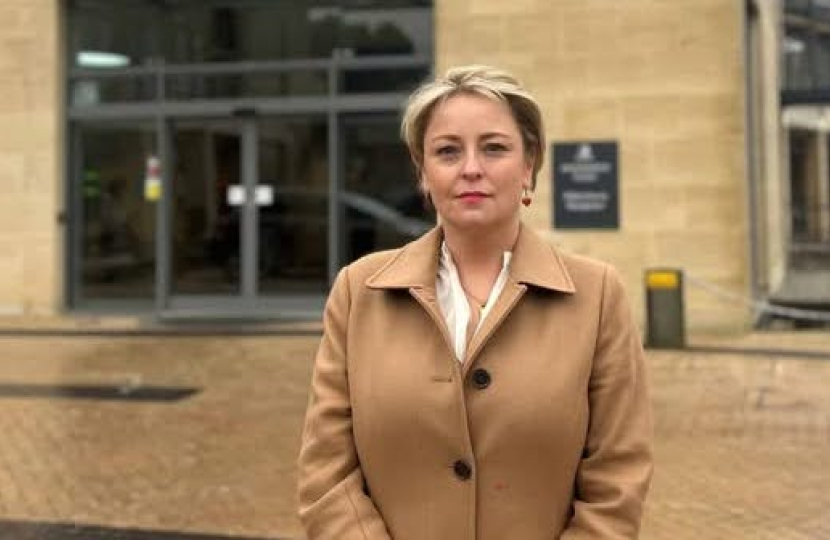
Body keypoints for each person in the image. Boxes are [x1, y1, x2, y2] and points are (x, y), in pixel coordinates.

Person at [296, 65, 653, 539]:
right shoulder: (358, 292)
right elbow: (326, 475)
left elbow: (616, 481)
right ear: (422, 171)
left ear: (528, 165)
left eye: (494, 148)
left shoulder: (598, 297)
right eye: (447, 151)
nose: (471, 168)